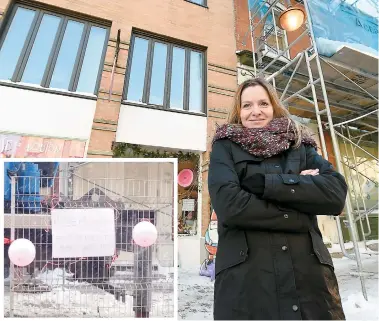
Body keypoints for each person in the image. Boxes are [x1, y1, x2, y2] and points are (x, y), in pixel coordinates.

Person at [208, 78, 347, 320]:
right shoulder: (225, 147)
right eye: (247, 105)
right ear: (238, 111)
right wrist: (301, 197)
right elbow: (229, 205)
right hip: (248, 284)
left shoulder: (300, 145)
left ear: (274, 106)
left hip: (310, 283)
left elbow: (335, 194)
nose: (256, 112)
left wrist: (267, 184)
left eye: (263, 103)